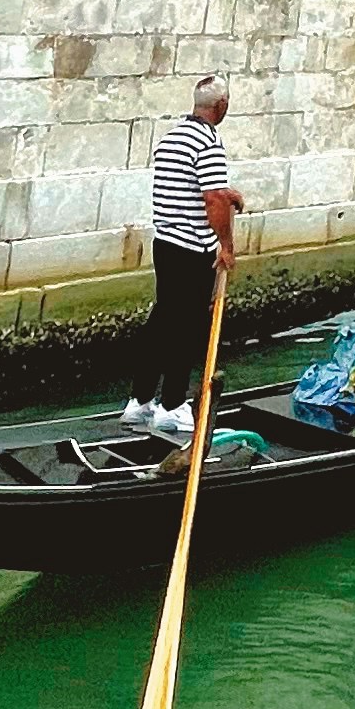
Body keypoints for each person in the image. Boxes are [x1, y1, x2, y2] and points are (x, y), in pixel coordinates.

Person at [125, 78, 243, 441]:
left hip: (166, 244)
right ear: (220, 106)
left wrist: (227, 193)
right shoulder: (208, 142)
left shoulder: (172, 139)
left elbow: (197, 188)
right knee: (187, 328)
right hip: (193, 249)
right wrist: (226, 246)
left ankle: (140, 402)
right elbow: (210, 200)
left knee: (163, 319)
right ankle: (172, 408)